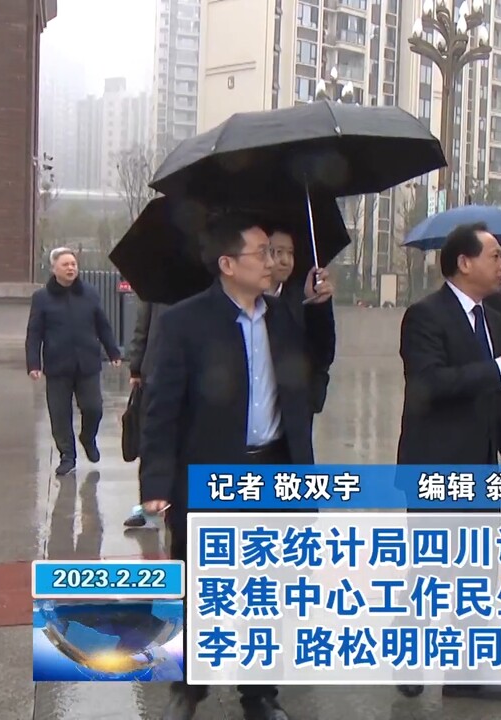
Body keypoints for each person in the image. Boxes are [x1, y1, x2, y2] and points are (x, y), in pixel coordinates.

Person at [139, 211, 331, 720]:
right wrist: (157, 482)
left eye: (275, 252)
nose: (274, 261)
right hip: (211, 476)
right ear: (228, 264)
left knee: (267, 590)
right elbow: (161, 409)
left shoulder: (284, 316)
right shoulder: (184, 322)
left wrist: (320, 308)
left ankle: (259, 694)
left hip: (276, 471)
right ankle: (189, 687)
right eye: (262, 253)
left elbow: (319, 363)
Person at [395, 221, 501, 703]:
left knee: (478, 573)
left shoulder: (492, 317)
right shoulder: (424, 316)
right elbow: (429, 384)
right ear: (464, 263)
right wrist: (498, 367)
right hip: (435, 467)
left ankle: (466, 673)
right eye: (494, 255)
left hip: (481, 469)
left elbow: (500, 397)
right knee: (431, 570)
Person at [25, 247, 122, 476]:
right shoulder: (42, 298)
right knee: (60, 415)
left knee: (94, 408)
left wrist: (113, 351)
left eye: (73, 264)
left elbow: (102, 325)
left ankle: (88, 437)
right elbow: (34, 333)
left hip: (87, 363)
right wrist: (33, 364)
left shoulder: (89, 293)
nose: (71, 268)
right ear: (54, 269)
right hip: (57, 365)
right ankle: (67, 456)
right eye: (65, 264)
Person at [266, 225, 337, 414]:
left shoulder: (303, 298)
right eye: (277, 252)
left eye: (290, 253)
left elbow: (323, 354)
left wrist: (318, 306)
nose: (285, 260)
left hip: (294, 410)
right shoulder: (245, 301)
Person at [122, 300, 169, 529]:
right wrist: (136, 367)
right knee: (151, 443)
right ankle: (148, 505)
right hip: (155, 374)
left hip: (192, 376)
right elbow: (142, 328)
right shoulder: (155, 291)